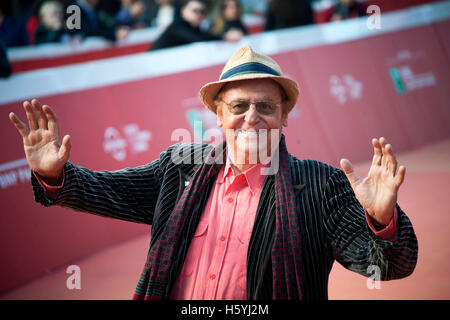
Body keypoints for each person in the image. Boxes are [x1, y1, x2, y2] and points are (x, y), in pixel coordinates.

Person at [9, 45, 418, 300]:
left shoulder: (320, 184)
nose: (252, 117)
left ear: (284, 117)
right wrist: (57, 174)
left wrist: (382, 221)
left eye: (266, 107)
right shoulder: (179, 168)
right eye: (239, 107)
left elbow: (385, 266)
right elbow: (104, 191)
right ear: (219, 115)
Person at [150, 0, 242, 51]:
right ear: (183, 11)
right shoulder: (177, 25)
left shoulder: (195, 28)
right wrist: (225, 37)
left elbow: (204, 36)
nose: (199, 15)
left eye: (202, 12)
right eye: (195, 11)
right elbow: (198, 38)